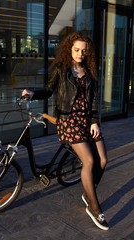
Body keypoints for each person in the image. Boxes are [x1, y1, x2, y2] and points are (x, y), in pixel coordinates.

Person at [22, 31, 109, 230]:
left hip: (88, 121)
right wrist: (33, 93)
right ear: (70, 49)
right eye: (77, 50)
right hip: (69, 121)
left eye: (84, 51)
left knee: (103, 160)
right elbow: (48, 90)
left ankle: (89, 193)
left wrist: (95, 121)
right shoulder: (61, 69)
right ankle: (95, 208)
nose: (80, 54)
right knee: (89, 161)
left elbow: (94, 101)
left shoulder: (90, 71)